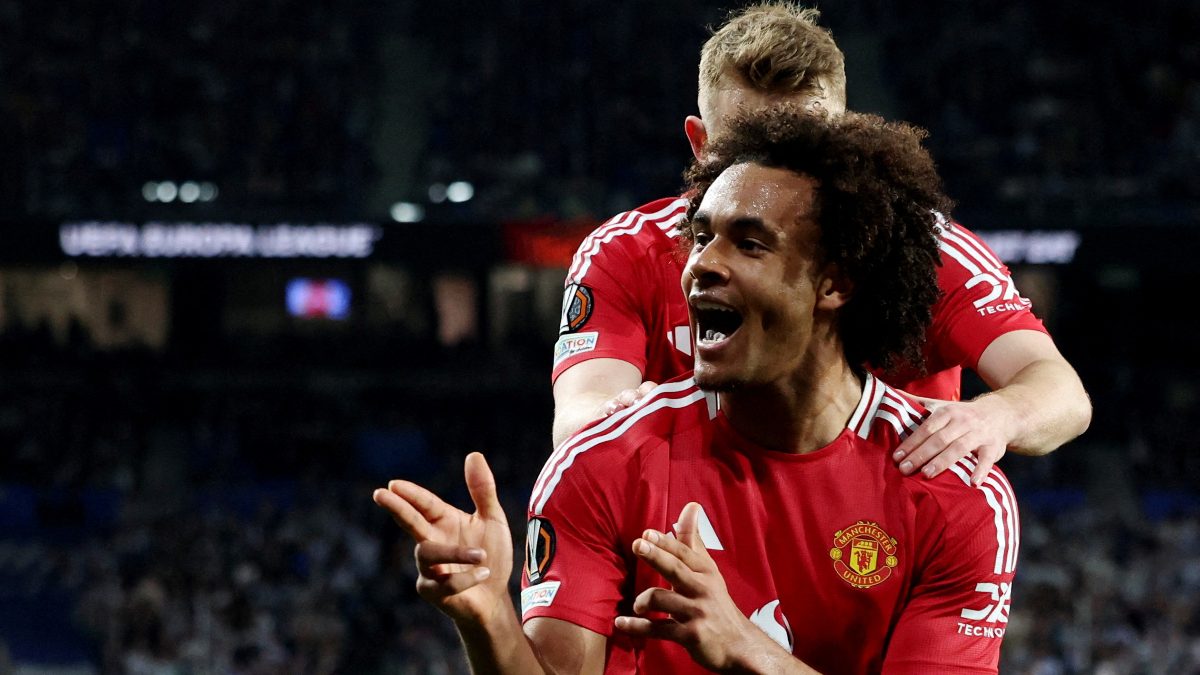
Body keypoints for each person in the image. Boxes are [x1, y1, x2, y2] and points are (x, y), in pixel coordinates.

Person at [375, 107, 1019, 674]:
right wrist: (487, 617)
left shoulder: (954, 492)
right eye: (703, 235)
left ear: (835, 284)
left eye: (750, 243)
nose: (702, 264)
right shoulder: (605, 460)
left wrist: (750, 649)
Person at [551, 3, 1090, 485]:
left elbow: (1058, 393)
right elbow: (582, 414)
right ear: (700, 144)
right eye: (747, 148)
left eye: (807, 148)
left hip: (879, 559)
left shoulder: (929, 253)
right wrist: (618, 417)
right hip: (698, 544)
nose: (776, 175)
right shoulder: (627, 252)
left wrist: (996, 416)